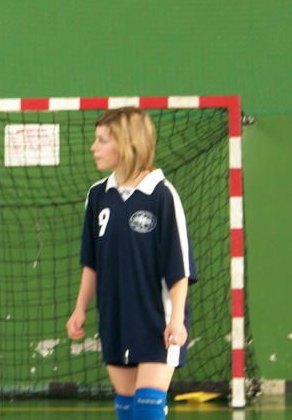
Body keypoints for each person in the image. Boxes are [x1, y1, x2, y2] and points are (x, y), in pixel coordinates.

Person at [66, 107, 197, 420]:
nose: (93, 147)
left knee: (148, 412)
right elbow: (91, 262)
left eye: (102, 140)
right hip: (115, 318)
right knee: (127, 412)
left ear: (127, 143)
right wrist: (80, 308)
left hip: (157, 321)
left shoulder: (162, 195)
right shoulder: (98, 196)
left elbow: (179, 267)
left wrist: (176, 320)